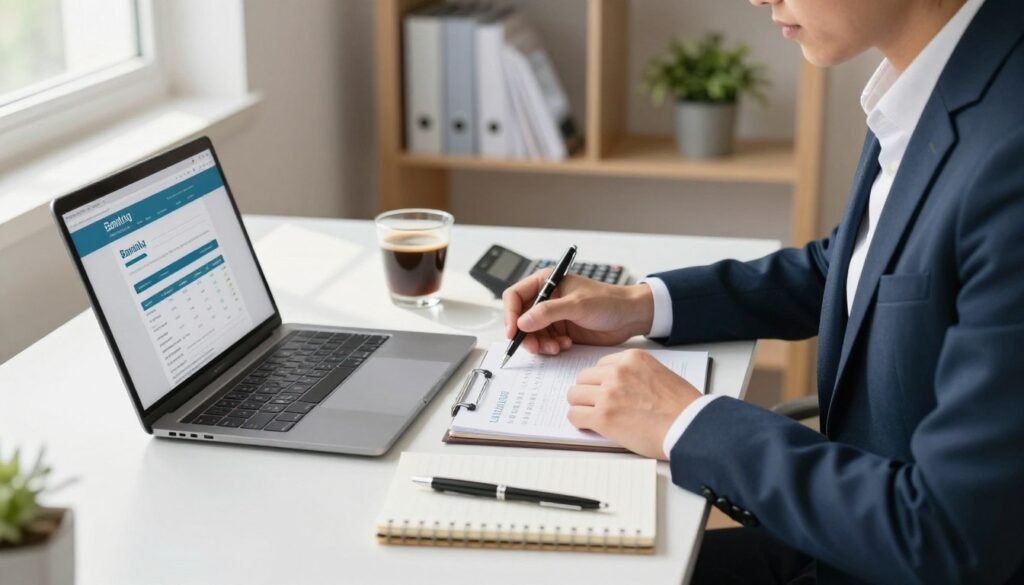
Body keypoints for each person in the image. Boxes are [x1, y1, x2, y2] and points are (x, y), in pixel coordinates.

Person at [501, 0, 1024, 582]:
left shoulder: (1009, 148)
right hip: (846, 538)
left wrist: (686, 422)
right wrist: (638, 305)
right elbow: (858, 266)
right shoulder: (937, 78)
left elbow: (950, 536)